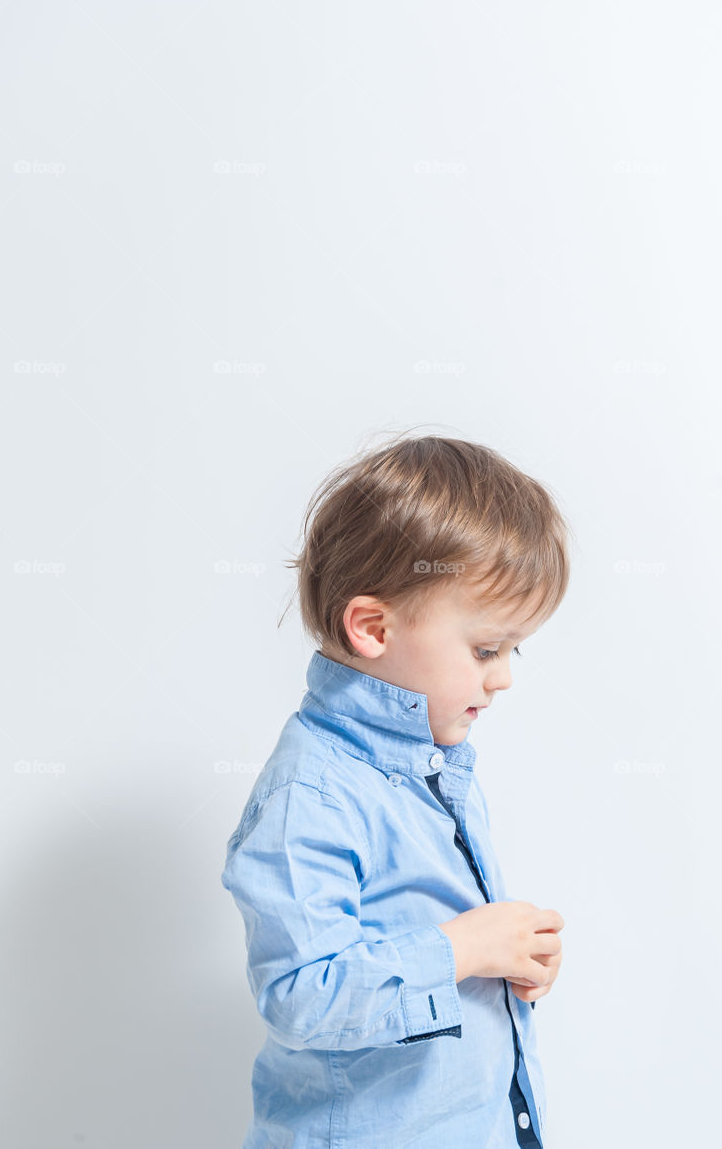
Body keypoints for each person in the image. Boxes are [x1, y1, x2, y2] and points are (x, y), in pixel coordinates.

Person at [221, 432, 571, 1147]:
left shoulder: (436, 765)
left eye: (513, 649)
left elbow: (429, 950)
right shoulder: (312, 795)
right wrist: (464, 950)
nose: (503, 676)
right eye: (484, 650)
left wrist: (508, 959)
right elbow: (301, 996)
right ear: (372, 627)